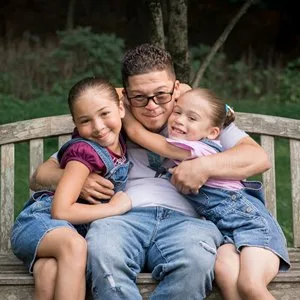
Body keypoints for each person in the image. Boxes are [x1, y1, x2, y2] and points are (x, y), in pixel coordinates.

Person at [30, 43, 271, 299]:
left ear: (176, 89)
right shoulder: (109, 124)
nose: (152, 106)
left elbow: (258, 157)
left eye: (161, 95)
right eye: (140, 97)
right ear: (125, 99)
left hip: (186, 222)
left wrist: (203, 165)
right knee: (102, 251)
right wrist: (79, 180)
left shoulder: (194, 119)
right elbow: (39, 176)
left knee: (197, 261)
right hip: (122, 218)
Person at [123, 87, 290, 299]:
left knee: (250, 285)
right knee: (225, 273)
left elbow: (137, 134)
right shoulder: (190, 141)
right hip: (226, 232)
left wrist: (123, 107)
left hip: (251, 224)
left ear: (212, 133)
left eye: (191, 118)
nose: (180, 121)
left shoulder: (193, 148)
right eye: (177, 112)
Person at [10, 77, 132, 300]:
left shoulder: (117, 140)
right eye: (85, 121)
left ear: (121, 107)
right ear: (76, 124)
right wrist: (114, 208)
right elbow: (61, 211)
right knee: (75, 247)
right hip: (42, 221)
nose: (98, 127)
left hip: (60, 232)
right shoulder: (83, 154)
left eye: (105, 114)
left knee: (49, 271)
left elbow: (121, 94)